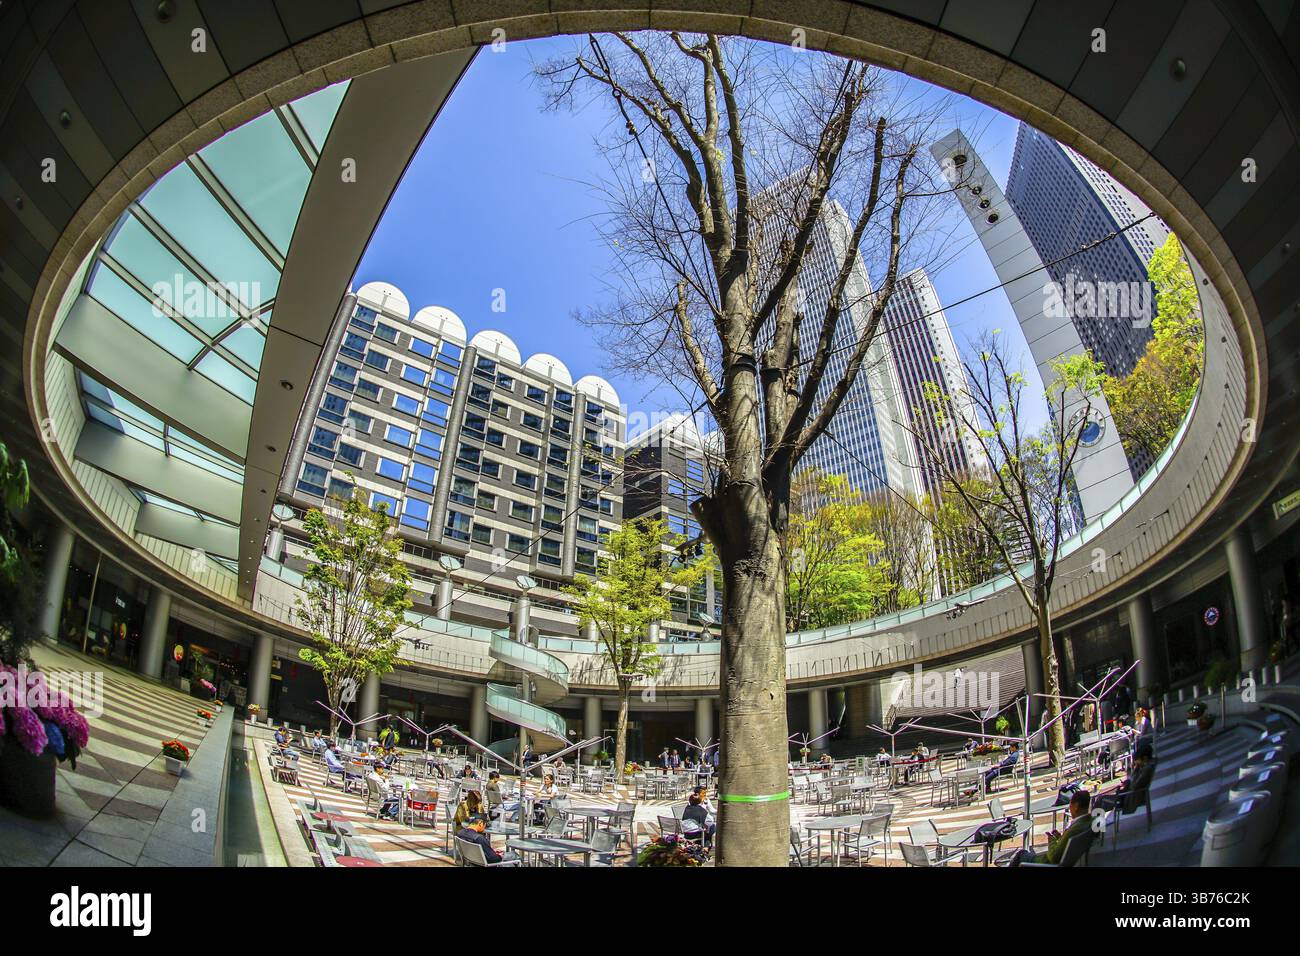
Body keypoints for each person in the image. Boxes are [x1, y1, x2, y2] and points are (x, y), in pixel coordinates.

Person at [1008, 790, 1093, 865]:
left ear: (1076, 806)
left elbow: (1054, 858)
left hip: (1046, 863)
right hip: (1068, 859)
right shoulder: (1089, 822)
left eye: (1070, 804)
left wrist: (1051, 840)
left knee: (1021, 854)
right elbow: (1066, 845)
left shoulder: (1074, 830)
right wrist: (1060, 837)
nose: (1069, 807)